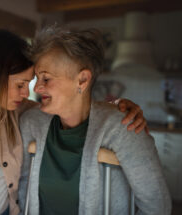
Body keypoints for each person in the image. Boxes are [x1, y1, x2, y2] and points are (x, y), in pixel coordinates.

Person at [0, 29, 147, 215]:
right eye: (20, 85)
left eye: (28, 84)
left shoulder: (16, 111)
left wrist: (116, 107)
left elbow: (69, 104)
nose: (26, 94)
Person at [19, 26, 171, 215]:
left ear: (82, 80)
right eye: (37, 78)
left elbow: (157, 206)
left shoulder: (124, 127)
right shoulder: (31, 123)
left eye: (46, 79)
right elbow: (22, 187)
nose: (38, 87)